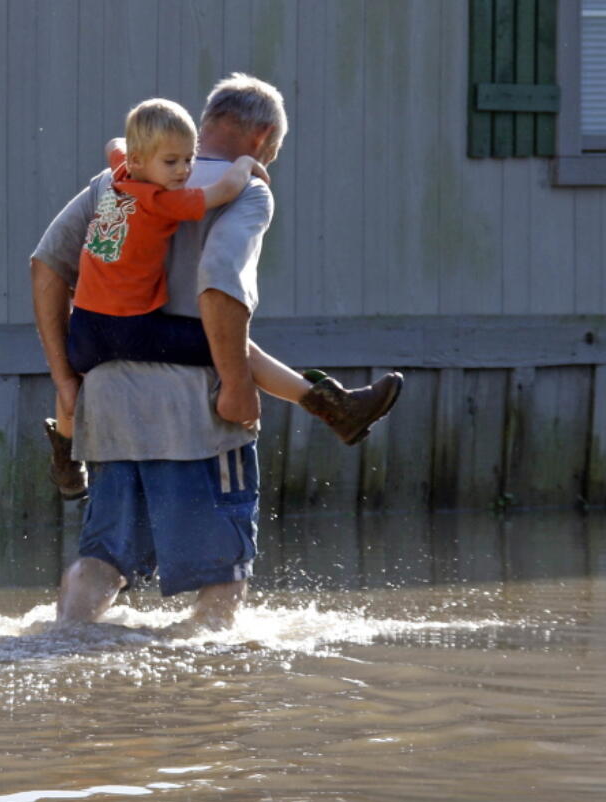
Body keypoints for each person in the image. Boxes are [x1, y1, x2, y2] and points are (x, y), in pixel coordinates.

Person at [30, 74, 400, 629]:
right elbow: (220, 282)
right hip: (193, 408)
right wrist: (235, 383)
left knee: (102, 560)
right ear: (264, 137)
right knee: (223, 579)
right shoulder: (247, 188)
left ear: (205, 125)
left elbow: (45, 266)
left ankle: (63, 650)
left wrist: (64, 378)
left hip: (105, 400)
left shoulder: (114, 182)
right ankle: (207, 706)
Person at [43, 97, 401, 501]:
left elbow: (48, 260)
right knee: (224, 344)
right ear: (263, 137)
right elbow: (222, 223)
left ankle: (65, 459)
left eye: (186, 160)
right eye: (173, 163)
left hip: (85, 326)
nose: (182, 171)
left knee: (71, 389)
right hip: (130, 327)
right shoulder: (164, 200)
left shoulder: (117, 173)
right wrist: (247, 167)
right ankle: (331, 406)